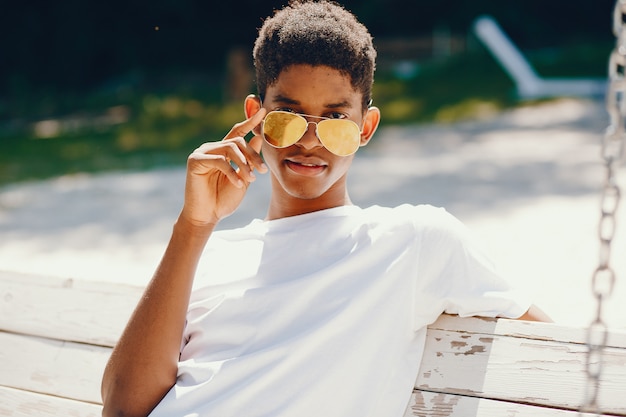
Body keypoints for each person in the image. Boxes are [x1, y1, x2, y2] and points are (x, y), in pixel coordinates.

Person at [101, 1, 550, 416]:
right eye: (287, 115)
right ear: (256, 116)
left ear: (365, 127)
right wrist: (194, 225)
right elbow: (123, 407)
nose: (310, 140)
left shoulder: (412, 242)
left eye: (336, 121)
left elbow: (560, 350)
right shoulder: (209, 255)